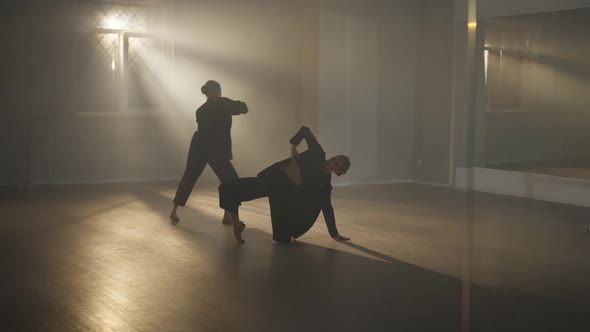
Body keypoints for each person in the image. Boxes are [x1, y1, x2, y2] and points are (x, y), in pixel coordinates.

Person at [219, 126, 351, 244]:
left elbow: (327, 208)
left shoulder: (324, 184)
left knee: (283, 239)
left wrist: (335, 234)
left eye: (336, 164)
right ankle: (236, 224)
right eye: (334, 158)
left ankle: (235, 221)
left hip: (283, 197)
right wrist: (294, 145)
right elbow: (305, 130)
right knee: (228, 188)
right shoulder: (318, 153)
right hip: (273, 180)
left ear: (338, 172)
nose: (332, 161)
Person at [170, 80, 248, 224]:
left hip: (199, 145)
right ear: (217, 90)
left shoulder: (201, 110)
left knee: (189, 176)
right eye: (220, 89)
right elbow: (243, 108)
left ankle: (174, 211)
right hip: (216, 148)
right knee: (230, 182)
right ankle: (229, 215)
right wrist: (233, 102)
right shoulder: (224, 104)